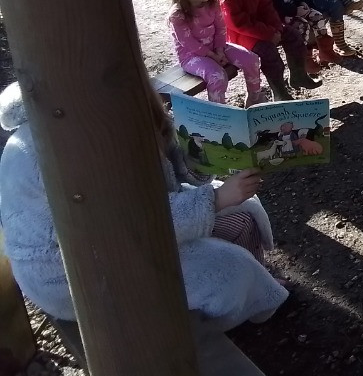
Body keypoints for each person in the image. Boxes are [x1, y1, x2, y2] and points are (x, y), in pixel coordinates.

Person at [0, 82, 288, 332]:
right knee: (229, 268)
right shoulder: (62, 145)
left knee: (244, 208)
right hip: (72, 275)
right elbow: (127, 224)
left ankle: (253, 297)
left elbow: (159, 184)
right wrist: (217, 200)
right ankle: (217, 321)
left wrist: (200, 159)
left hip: (119, 240)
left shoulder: (103, 106)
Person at [218, 0, 320, 101]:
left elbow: (268, 8)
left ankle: (298, 75)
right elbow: (240, 24)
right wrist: (269, 34)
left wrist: (277, 28)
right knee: (269, 53)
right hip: (240, 37)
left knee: (293, 36)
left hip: (263, 29)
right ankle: (279, 91)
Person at [167, 0, 265, 107]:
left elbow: (220, 29)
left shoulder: (213, 3)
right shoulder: (177, 15)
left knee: (251, 59)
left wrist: (219, 50)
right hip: (192, 56)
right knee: (217, 77)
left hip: (217, 48)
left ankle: (254, 99)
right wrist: (213, 56)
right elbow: (188, 43)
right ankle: (219, 113)